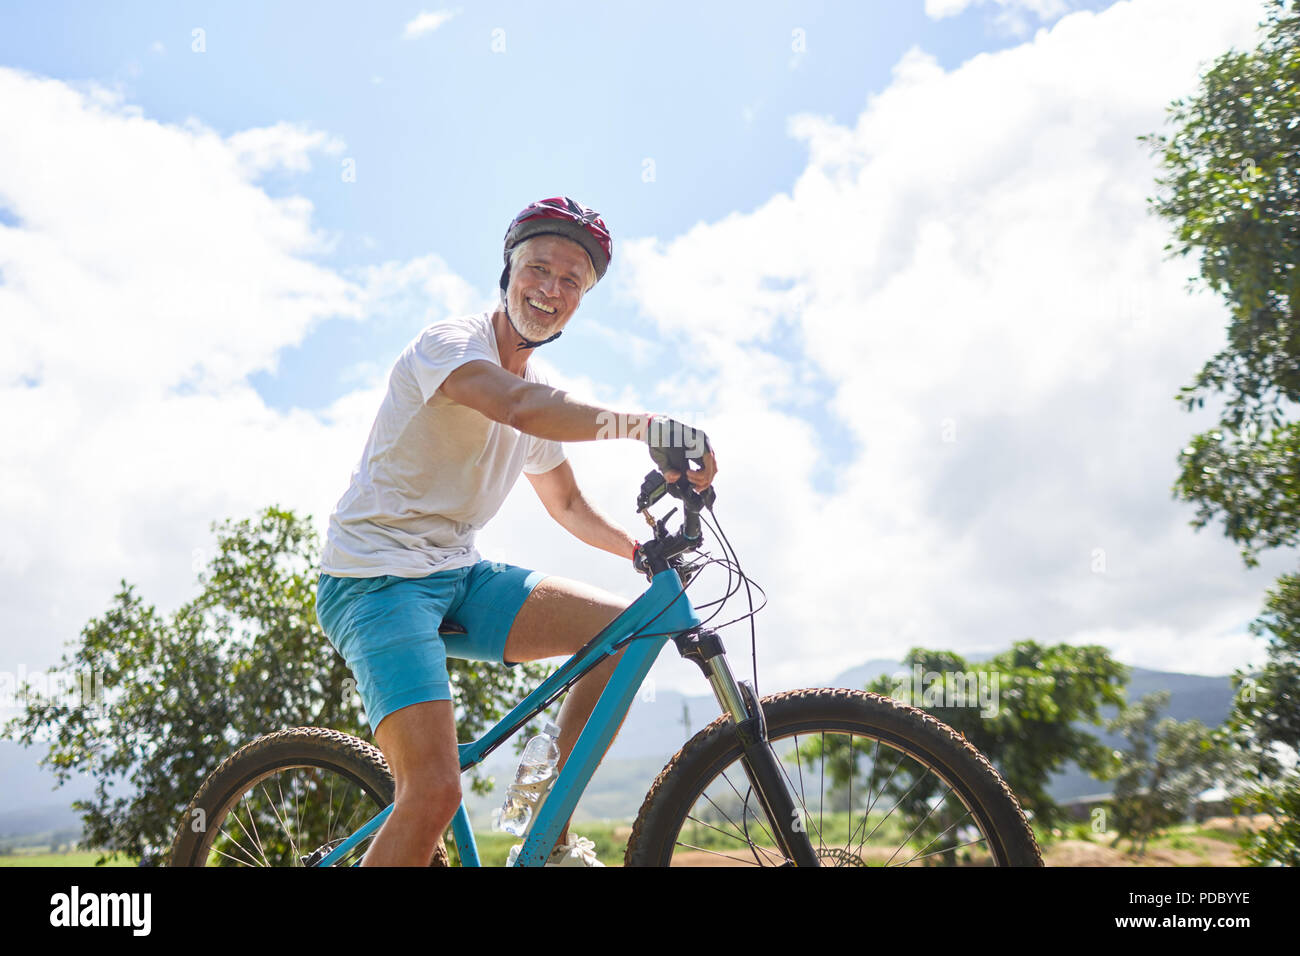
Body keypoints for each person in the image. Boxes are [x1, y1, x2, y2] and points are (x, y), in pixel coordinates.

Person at [315, 196, 718, 866]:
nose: (550, 289)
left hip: (454, 574)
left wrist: (636, 549)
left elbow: (565, 504)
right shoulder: (450, 346)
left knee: (625, 633)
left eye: (571, 282)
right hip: (373, 582)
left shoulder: (540, 387)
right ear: (507, 271)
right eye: (539, 268)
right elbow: (515, 405)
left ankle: (547, 830)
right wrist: (645, 425)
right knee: (434, 792)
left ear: (581, 301)